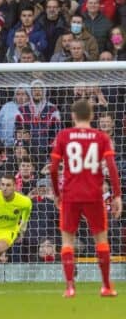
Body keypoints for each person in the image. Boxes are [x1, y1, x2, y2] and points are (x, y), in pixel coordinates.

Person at [49, 99, 122, 298]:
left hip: (70, 195)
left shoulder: (64, 135)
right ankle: (106, 286)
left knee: (67, 241)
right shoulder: (101, 137)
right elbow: (112, 168)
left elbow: (54, 169)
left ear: (73, 116)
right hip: (94, 195)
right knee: (101, 239)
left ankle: (70, 287)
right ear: (91, 116)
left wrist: (57, 193)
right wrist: (117, 195)